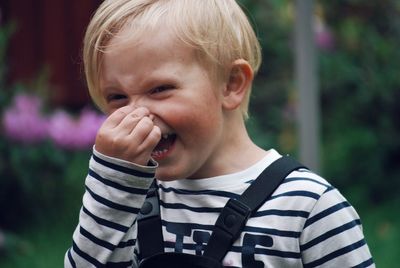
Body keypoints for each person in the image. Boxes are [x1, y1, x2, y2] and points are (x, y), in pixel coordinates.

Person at [65, 0, 374, 267]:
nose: (136, 115)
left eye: (159, 89)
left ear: (231, 84)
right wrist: (111, 188)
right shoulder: (123, 204)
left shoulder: (308, 208)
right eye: (117, 98)